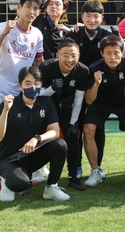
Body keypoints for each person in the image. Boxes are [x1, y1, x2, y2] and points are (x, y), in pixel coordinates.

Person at [0, 0, 45, 193]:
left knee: (19, 134)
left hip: (20, 90)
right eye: (28, 6)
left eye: (36, 8)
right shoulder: (3, 27)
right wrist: (4, 34)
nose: (32, 11)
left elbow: (38, 64)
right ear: (19, 8)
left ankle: (19, 171)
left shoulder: (37, 34)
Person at [0, 67, 69, 203]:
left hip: (31, 155)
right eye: (28, 83)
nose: (33, 87)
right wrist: (5, 110)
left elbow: (55, 131)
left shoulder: (46, 102)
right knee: (19, 184)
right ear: (20, 85)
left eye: (36, 83)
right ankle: (7, 181)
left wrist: (37, 138)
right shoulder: (9, 105)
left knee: (60, 145)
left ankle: (51, 187)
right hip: (8, 159)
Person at [83, 35, 125, 187]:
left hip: (121, 102)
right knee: (88, 130)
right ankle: (95, 172)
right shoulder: (94, 68)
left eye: (116, 52)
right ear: (102, 54)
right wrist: (96, 83)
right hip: (99, 103)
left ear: (122, 52)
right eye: (108, 53)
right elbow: (89, 100)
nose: (112, 56)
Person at [37, 39, 90, 191]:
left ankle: (73, 177)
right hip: (46, 107)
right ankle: (31, 174)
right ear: (57, 55)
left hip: (67, 108)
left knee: (72, 139)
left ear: (78, 56)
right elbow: (37, 95)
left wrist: (74, 123)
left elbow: (79, 99)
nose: (70, 60)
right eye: (65, 55)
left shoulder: (83, 71)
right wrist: (52, 88)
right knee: (40, 139)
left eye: (73, 55)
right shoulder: (46, 68)